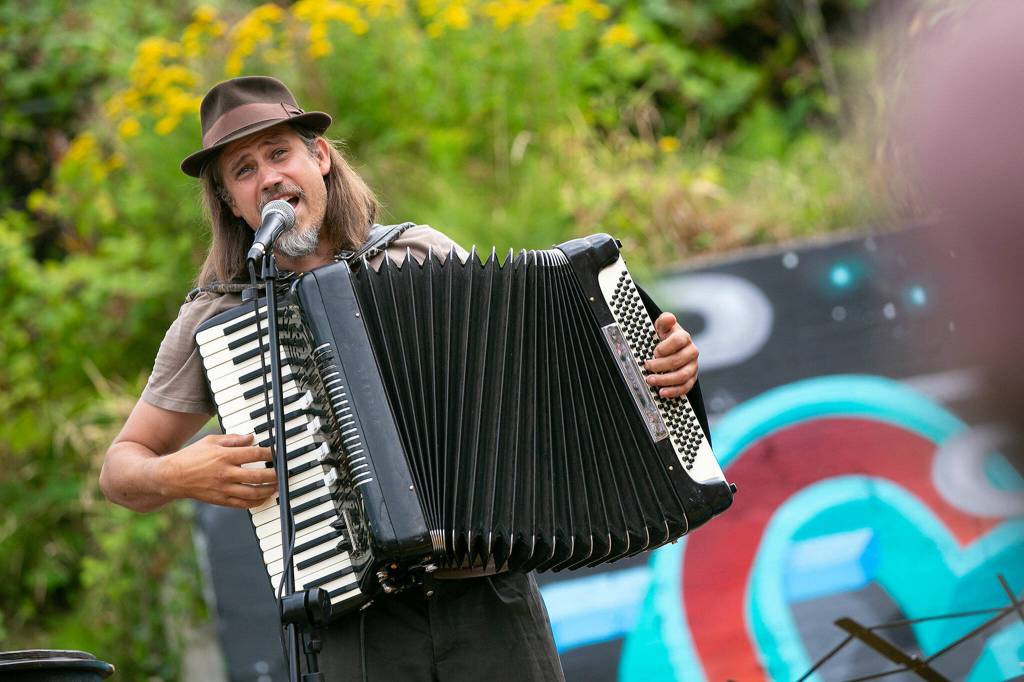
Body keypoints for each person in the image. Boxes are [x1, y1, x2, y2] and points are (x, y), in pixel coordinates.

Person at [99, 76, 703, 681]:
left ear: (320, 156)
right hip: (353, 627)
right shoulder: (218, 316)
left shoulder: (418, 256)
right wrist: (176, 472)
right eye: (244, 170)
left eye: (280, 153)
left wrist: (660, 367)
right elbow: (121, 470)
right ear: (231, 201)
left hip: (488, 602)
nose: (269, 179)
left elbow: (544, 376)